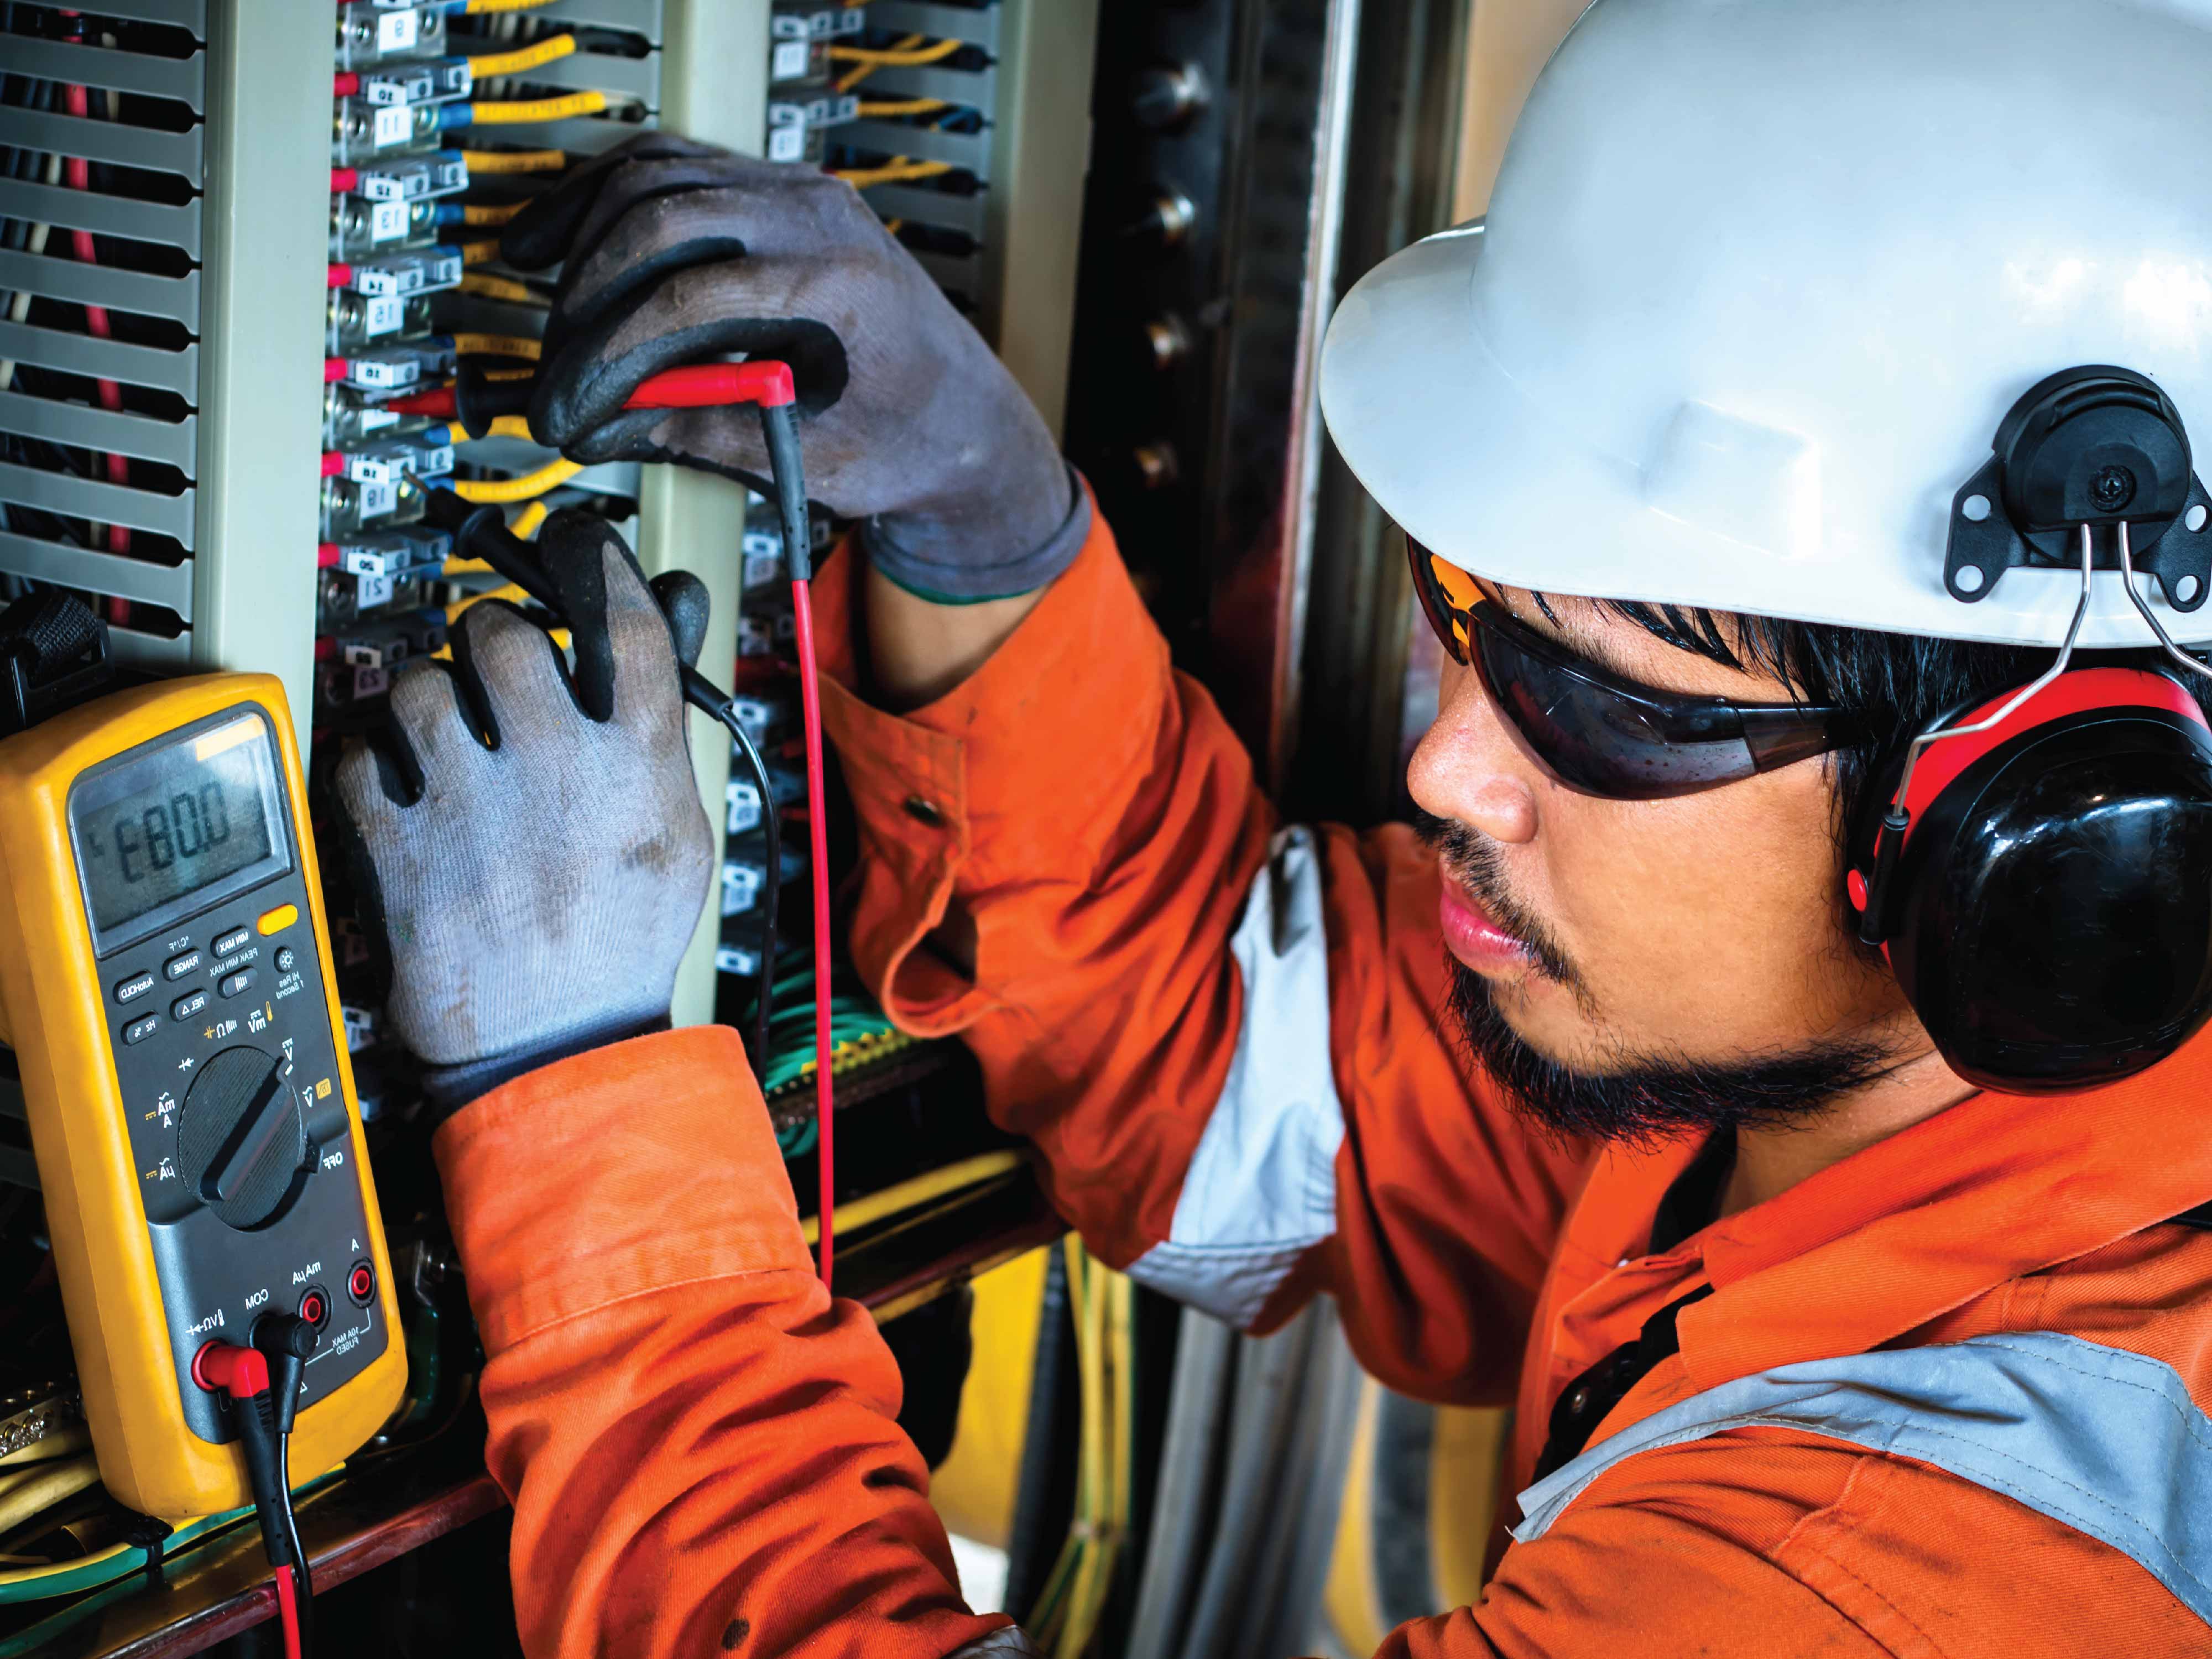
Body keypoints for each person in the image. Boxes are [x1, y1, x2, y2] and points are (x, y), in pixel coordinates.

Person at [335, 1, 2212, 1652]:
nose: (1449, 769)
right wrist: (987, 542)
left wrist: (579, 1124)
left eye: (1612, 707)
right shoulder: (1865, 1102)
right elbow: (1277, 1076)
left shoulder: (1914, 1577)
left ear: (2042, 820)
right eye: (1465, 618)